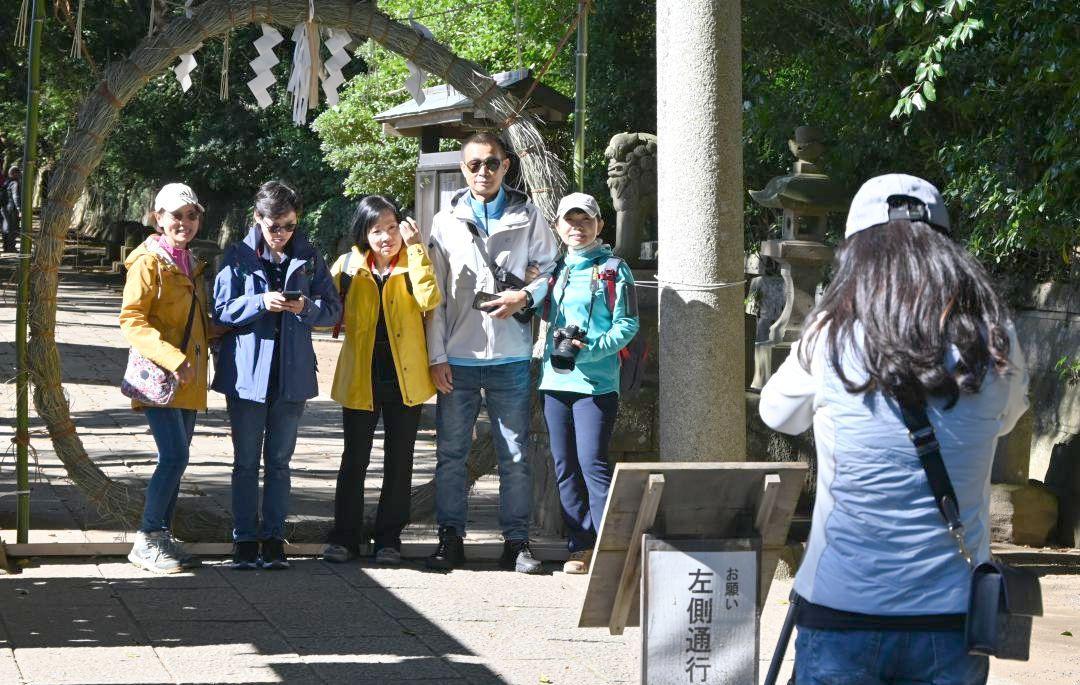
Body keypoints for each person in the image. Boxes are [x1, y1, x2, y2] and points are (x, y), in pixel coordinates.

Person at [759, 174, 1029, 684]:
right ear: (946, 250)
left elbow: (775, 413)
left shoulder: (830, 336)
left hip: (841, 607)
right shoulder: (996, 344)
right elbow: (1007, 420)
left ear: (856, 251)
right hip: (951, 616)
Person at [425, 132, 559, 573]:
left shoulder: (529, 215)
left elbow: (554, 270)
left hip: (512, 353)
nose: (483, 171)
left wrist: (525, 296)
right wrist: (436, 356)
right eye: (474, 164)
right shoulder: (445, 221)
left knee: (516, 453)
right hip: (458, 356)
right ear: (463, 169)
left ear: (506, 166)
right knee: (451, 453)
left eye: (491, 163)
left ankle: (517, 541)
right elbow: (435, 296)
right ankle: (450, 537)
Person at [212, 181, 341, 570]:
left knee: (280, 463)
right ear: (258, 219)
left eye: (287, 225)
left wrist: (304, 307)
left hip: (292, 375)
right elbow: (220, 309)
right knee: (246, 462)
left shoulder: (310, 256)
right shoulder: (236, 255)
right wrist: (258, 302)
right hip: (247, 375)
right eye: (273, 226)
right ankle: (244, 539)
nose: (281, 234)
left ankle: (273, 538)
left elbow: (333, 310)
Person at [321, 196, 441, 565]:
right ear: (364, 233)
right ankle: (344, 537)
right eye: (377, 230)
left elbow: (430, 299)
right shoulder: (348, 266)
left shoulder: (414, 261)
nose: (386, 237)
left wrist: (418, 250)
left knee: (400, 460)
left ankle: (389, 539)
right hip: (361, 376)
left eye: (392, 228)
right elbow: (324, 311)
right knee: (354, 459)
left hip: (405, 377)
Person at [538, 193, 639, 574]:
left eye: (585, 221)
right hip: (554, 379)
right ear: (558, 226)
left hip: (595, 383)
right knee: (564, 466)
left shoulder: (614, 268)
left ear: (599, 225)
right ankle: (580, 546)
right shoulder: (556, 267)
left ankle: (610, 549)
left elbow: (627, 324)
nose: (576, 228)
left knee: (592, 464)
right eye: (569, 221)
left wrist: (591, 349)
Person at [119, 183, 212, 574]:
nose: (185, 223)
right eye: (176, 215)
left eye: (191, 216)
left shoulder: (189, 261)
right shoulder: (149, 262)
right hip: (160, 375)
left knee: (177, 459)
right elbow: (132, 320)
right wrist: (173, 359)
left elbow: (199, 321)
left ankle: (163, 538)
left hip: (188, 378)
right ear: (158, 217)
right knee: (174, 456)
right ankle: (147, 538)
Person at [2, 165, 21, 253]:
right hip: (11, 208)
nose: (19, 175)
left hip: (4, 208)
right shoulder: (14, 183)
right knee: (13, 228)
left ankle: (6, 247)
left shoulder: (6, 182)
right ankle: (11, 247)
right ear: (14, 174)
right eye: (18, 173)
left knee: (5, 228)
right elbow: (15, 196)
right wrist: (18, 208)